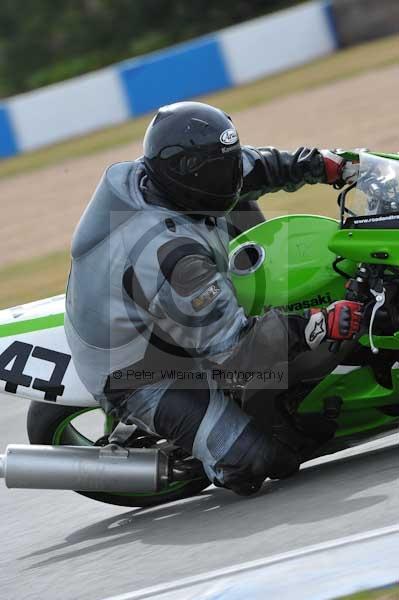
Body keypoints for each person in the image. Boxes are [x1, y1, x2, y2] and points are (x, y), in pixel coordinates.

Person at [65, 101, 363, 495]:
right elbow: (238, 350)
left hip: (155, 302)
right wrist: (317, 324)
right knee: (263, 459)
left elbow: (253, 166)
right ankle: (204, 454)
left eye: (229, 162)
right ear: (187, 174)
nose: (232, 176)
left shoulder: (164, 178)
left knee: (242, 212)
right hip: (140, 366)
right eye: (220, 170)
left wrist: (323, 164)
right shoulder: (170, 257)